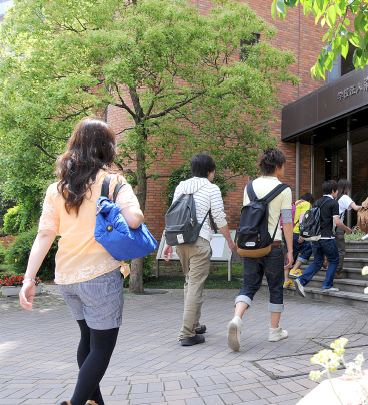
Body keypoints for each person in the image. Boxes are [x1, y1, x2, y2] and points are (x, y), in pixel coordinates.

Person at [19, 118, 144, 405]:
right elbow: (135, 218)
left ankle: (94, 402)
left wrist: (29, 279)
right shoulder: (113, 182)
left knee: (87, 341)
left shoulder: (57, 188)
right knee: (101, 348)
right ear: (107, 148)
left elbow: (45, 235)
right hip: (99, 275)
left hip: (67, 278)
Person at [162, 153, 236, 347]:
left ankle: (194, 325)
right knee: (195, 285)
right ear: (210, 172)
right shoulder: (212, 189)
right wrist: (229, 240)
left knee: (190, 283)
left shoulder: (181, 186)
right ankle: (187, 333)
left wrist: (168, 242)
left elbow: (172, 216)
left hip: (180, 242)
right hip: (199, 241)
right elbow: (219, 217)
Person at [227, 147, 294, 351]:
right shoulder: (284, 190)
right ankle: (274, 331)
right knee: (275, 287)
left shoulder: (249, 187)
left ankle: (237, 319)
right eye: (283, 166)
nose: (284, 170)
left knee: (249, 286)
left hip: (250, 245)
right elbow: (288, 223)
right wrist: (290, 250)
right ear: (277, 166)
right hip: (272, 246)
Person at [294, 180, 351, 297]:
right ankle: (327, 285)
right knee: (334, 260)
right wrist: (346, 229)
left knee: (318, 261)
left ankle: (301, 280)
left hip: (315, 237)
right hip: (327, 237)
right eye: (336, 191)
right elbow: (336, 221)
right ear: (333, 191)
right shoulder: (333, 203)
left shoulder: (317, 202)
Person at [334, 179, 362, 279]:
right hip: (338, 227)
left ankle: (326, 259)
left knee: (333, 248)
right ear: (346, 188)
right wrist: (366, 206)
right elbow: (355, 208)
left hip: (330, 227)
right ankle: (336, 271)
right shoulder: (344, 197)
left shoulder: (335, 197)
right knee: (341, 250)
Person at [287, 193, 315, 282]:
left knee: (292, 254)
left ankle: (285, 280)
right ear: (310, 201)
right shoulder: (306, 204)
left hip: (289, 233)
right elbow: (303, 219)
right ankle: (295, 269)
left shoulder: (294, 204)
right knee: (308, 250)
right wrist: (302, 233)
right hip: (296, 232)